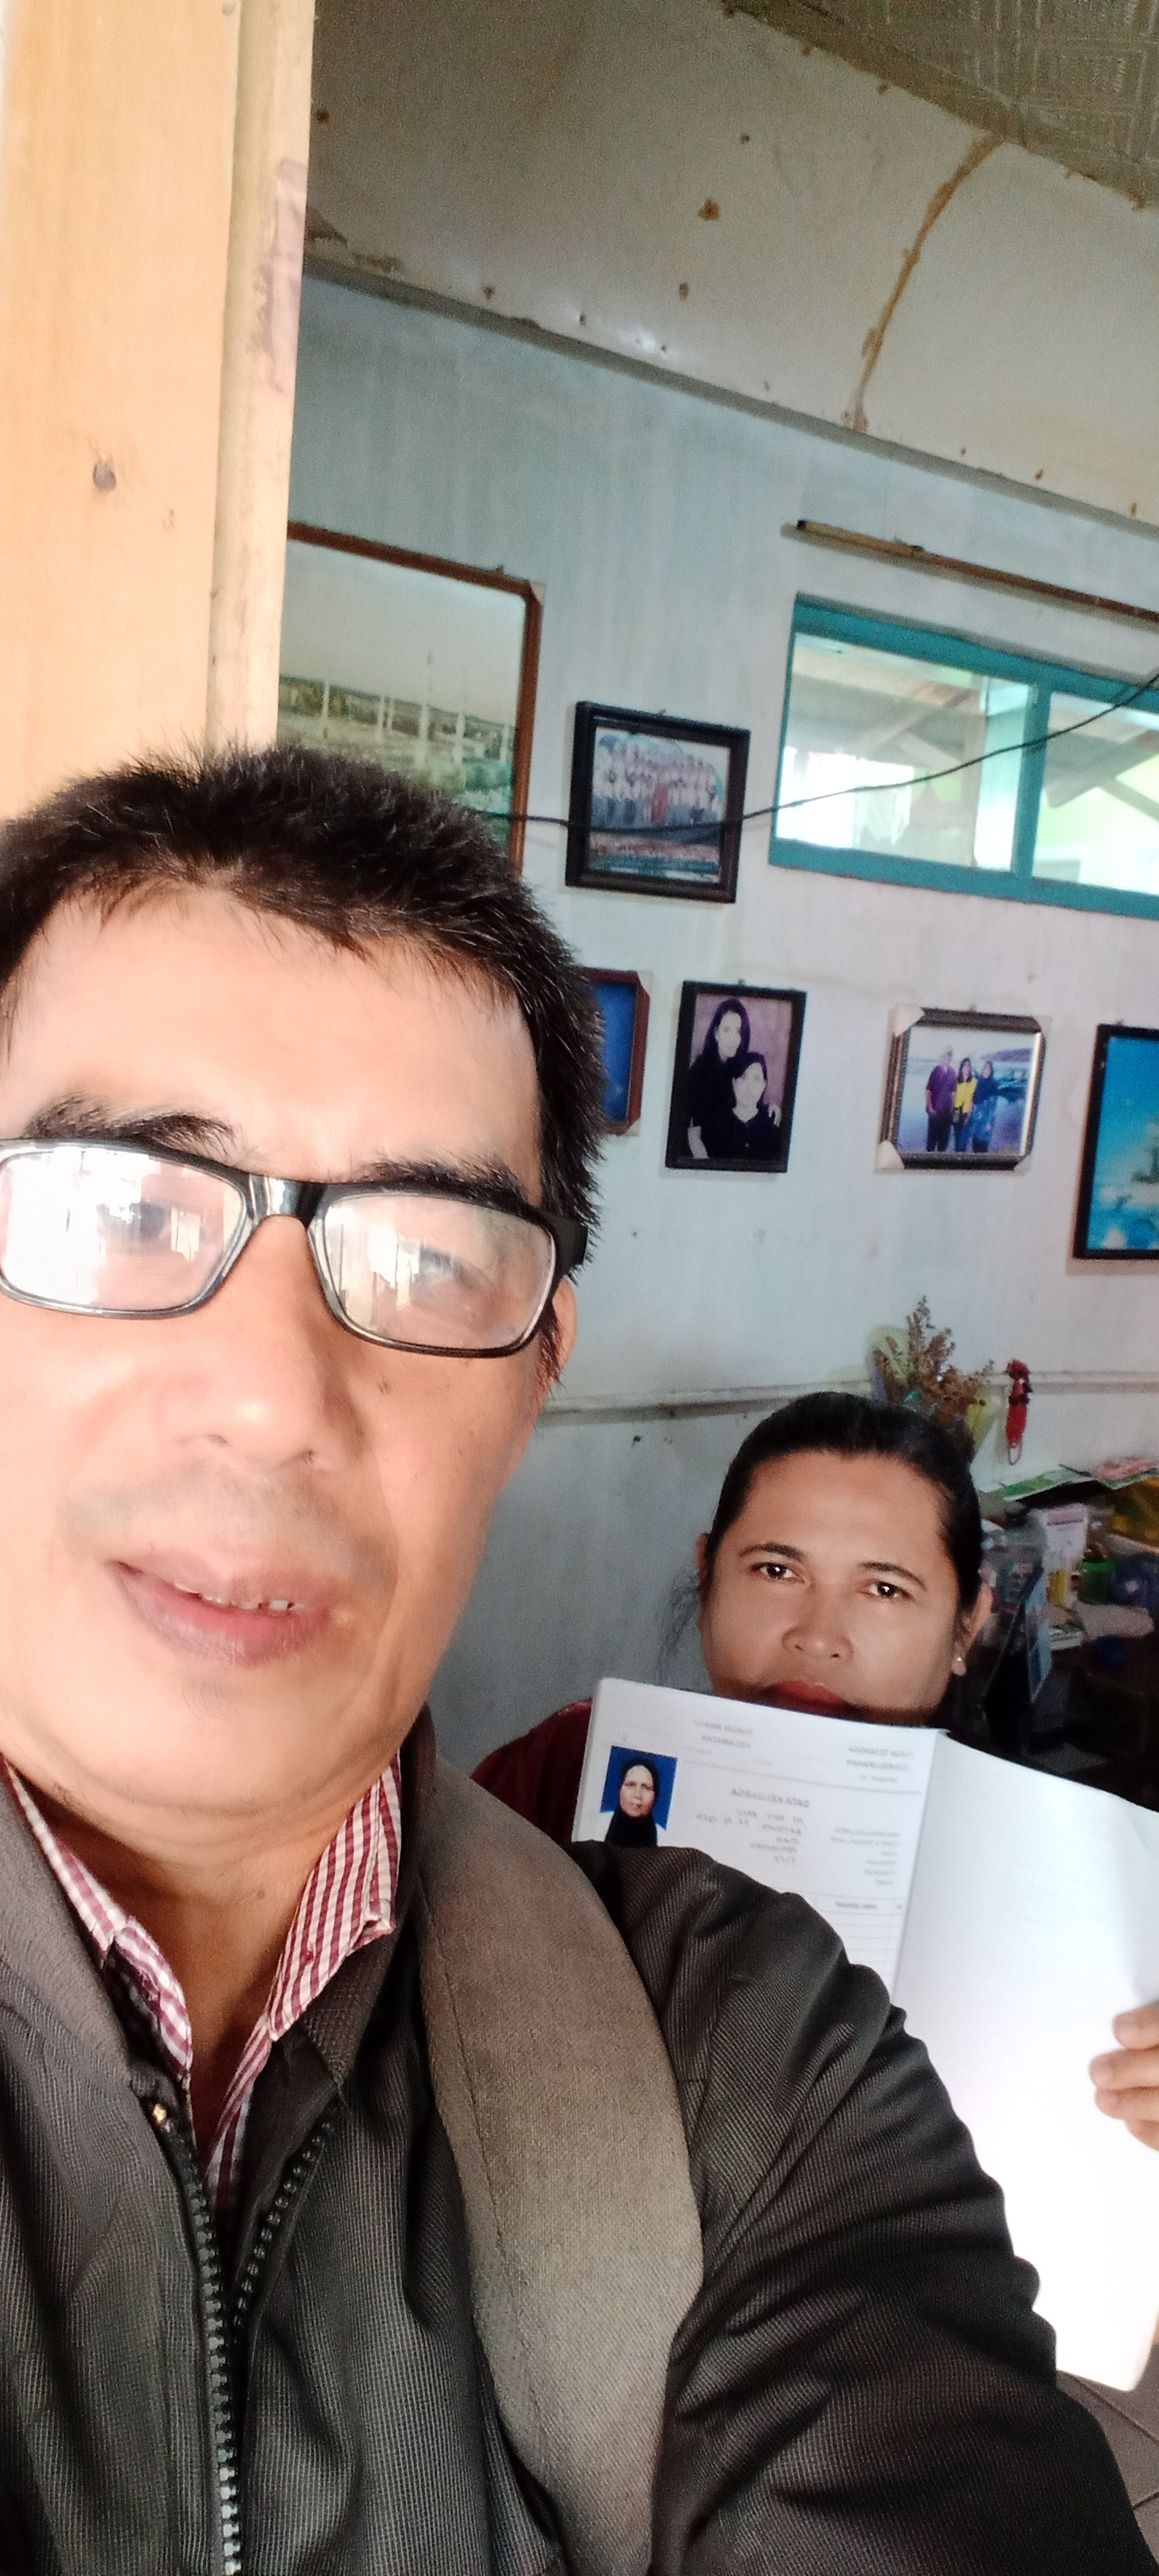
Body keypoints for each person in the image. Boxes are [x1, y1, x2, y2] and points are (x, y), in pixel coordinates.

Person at [0, 753, 1148, 2576]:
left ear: (537, 1376)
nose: (272, 1394)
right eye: (122, 1208)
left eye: (431, 1257)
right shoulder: (569, 1763)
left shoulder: (741, 2048)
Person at [476, 1393, 1159, 2158]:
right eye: (776, 1569)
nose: (818, 1638)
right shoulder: (567, 1766)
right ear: (707, 1577)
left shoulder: (1080, 1877)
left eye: (885, 1588)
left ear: (966, 1624)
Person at [685, 993, 749, 1158]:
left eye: (738, 1031)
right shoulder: (700, 1071)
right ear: (716, 1033)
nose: (733, 1038)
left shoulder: (739, 1069)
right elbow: (693, 1133)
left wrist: (770, 1109)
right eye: (727, 1030)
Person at [699, 1050, 782, 1162]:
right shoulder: (716, 1124)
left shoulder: (773, 1124)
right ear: (734, 1083)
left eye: (756, 1079)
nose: (749, 1087)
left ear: (764, 1085)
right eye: (743, 1078)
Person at [604, 1753, 661, 1844]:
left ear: (655, 1796)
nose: (637, 1795)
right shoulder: (598, 1825)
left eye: (646, 1787)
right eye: (631, 1785)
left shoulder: (665, 1840)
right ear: (620, 1789)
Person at [925, 1046, 956, 1150]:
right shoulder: (935, 1071)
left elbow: (953, 1093)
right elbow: (928, 1091)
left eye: (949, 1056)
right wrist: (930, 1108)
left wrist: (952, 1109)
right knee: (931, 1143)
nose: (947, 1058)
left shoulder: (952, 1072)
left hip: (947, 1113)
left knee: (943, 1143)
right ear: (942, 1057)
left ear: (951, 1058)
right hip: (935, 1112)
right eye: (945, 1056)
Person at [971, 1056, 1001, 1154]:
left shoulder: (993, 1085)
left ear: (991, 1071)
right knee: (975, 1143)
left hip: (985, 1120)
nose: (986, 1071)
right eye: (985, 1068)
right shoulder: (979, 1082)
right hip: (976, 1118)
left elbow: (993, 1108)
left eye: (988, 1069)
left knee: (983, 1145)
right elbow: (974, 1100)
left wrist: (989, 1123)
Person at [953, 1055, 978, 1151]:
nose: (967, 1067)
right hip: (956, 1112)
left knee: (963, 1141)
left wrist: (969, 1114)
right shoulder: (956, 1080)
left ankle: (961, 1155)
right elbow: (952, 1096)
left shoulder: (974, 1081)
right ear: (961, 1067)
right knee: (957, 1138)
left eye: (968, 1065)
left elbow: (973, 1099)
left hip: (967, 1113)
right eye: (965, 1065)